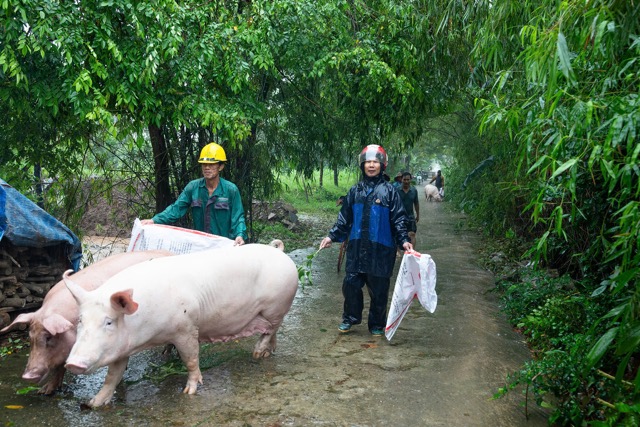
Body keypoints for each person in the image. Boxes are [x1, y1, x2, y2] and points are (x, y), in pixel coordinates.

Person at [319, 144, 413, 336]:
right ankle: (350, 318)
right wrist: (331, 236)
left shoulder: (390, 192)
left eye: (375, 162)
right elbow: (344, 219)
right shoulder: (354, 192)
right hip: (356, 248)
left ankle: (377, 324)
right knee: (350, 284)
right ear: (362, 165)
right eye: (368, 162)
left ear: (382, 165)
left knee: (379, 290)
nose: (371, 165)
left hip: (382, 250)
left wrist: (403, 240)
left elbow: (398, 220)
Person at [141, 142, 247, 245]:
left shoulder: (231, 190)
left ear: (221, 166)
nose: (207, 167)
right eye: (204, 164)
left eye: (211, 164)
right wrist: (154, 220)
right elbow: (176, 209)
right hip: (201, 245)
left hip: (223, 246)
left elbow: (238, 218)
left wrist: (240, 235)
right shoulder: (193, 188)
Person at [399, 172, 419, 248]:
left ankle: (412, 252)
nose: (406, 181)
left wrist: (418, 215)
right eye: (404, 179)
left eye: (408, 179)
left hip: (410, 216)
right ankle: (398, 252)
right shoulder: (397, 190)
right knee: (398, 233)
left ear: (410, 180)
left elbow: (416, 203)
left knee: (412, 234)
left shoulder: (414, 190)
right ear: (401, 180)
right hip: (399, 216)